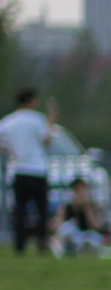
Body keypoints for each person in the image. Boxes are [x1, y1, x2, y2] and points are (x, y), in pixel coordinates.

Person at [0, 88, 58, 255]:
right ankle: (42, 244)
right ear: (31, 101)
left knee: (20, 211)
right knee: (41, 210)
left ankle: (20, 245)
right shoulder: (36, 119)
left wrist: (8, 151)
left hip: (19, 170)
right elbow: (46, 141)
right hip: (38, 169)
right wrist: (52, 119)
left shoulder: (9, 121)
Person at [53, 178, 111, 255]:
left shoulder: (93, 206)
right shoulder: (66, 206)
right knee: (67, 228)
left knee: (92, 238)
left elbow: (96, 227)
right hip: (73, 235)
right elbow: (58, 225)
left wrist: (87, 209)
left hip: (88, 235)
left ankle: (84, 249)